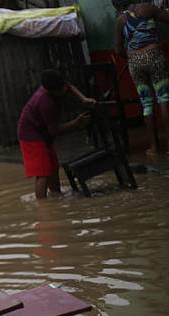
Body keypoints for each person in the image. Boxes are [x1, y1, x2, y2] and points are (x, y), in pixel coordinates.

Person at [17, 70, 96, 199]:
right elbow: (54, 131)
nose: (64, 90)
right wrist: (77, 123)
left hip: (42, 133)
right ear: (50, 91)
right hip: (31, 136)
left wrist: (83, 99)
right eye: (60, 89)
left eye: (63, 86)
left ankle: (56, 195)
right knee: (42, 172)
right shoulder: (46, 103)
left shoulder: (57, 86)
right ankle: (43, 206)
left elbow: (68, 86)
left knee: (53, 166)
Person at [113, 0, 169, 155]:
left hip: (135, 62)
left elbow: (118, 49)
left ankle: (154, 147)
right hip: (154, 56)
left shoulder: (120, 21)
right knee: (163, 98)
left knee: (147, 104)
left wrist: (133, 57)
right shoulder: (148, 8)